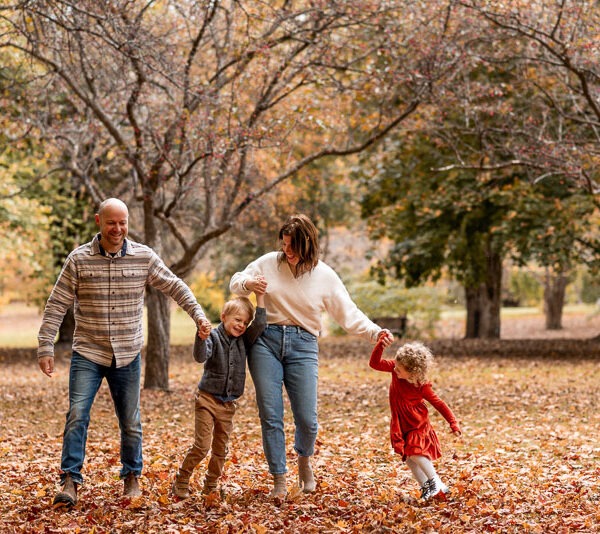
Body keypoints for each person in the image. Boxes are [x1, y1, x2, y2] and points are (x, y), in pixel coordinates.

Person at [37, 198, 212, 508]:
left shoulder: (143, 257)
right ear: (98, 222)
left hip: (127, 355)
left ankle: (132, 477)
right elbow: (56, 304)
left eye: (122, 222)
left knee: (130, 421)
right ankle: (70, 480)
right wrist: (46, 346)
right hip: (88, 352)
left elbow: (174, 286)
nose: (117, 229)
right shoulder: (78, 260)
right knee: (77, 415)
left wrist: (198, 314)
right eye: (111, 222)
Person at [230, 213, 393, 499]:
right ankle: (279, 478)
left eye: (294, 246)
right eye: (284, 245)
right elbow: (236, 281)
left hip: (303, 345)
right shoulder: (268, 263)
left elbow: (348, 312)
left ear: (309, 246)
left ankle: (304, 461)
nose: (287, 252)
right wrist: (248, 285)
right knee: (271, 414)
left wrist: (375, 332)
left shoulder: (324, 275)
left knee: (307, 419)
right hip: (265, 342)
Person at [172, 287, 267, 499]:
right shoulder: (213, 337)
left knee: (220, 449)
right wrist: (201, 337)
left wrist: (260, 297)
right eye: (237, 319)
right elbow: (200, 356)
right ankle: (182, 478)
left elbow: (259, 324)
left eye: (244, 322)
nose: (241, 325)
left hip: (228, 405)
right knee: (202, 446)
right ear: (223, 317)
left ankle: (211, 484)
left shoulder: (244, 340)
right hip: (206, 399)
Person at [369, 339, 462, 501]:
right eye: (395, 366)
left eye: (399, 369)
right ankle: (426, 488)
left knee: (415, 452)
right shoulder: (394, 368)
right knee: (409, 459)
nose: (395, 370)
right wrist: (380, 345)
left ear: (412, 372)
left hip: (417, 423)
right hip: (401, 423)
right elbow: (374, 363)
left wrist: (453, 422)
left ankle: (438, 484)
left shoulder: (422, 386)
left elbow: (439, 403)